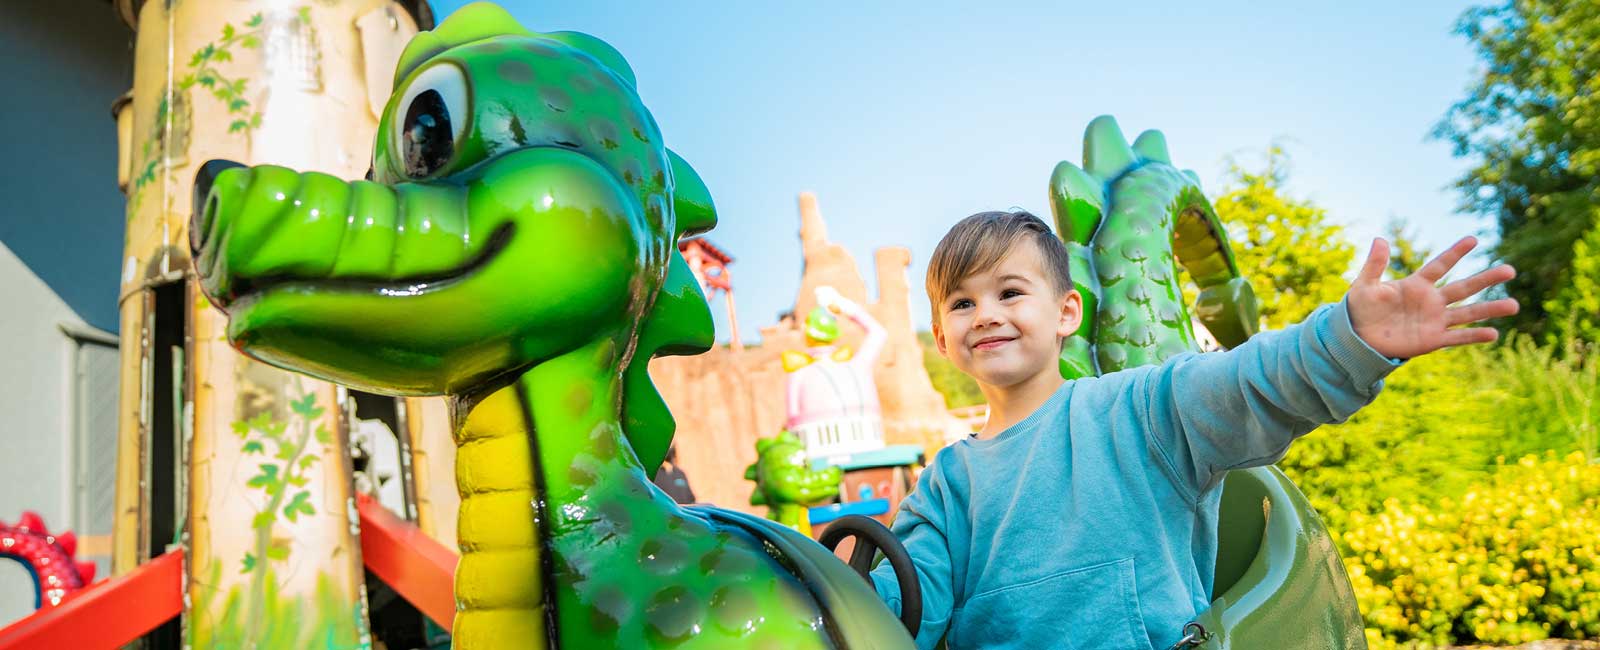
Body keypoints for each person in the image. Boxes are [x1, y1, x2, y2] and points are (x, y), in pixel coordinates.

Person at [866, 210, 1517, 649]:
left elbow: (1247, 383)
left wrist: (1347, 340)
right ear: (943, 340)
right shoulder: (947, 483)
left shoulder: (1138, 410)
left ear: (1066, 312)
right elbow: (902, 610)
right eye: (961, 302)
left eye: (1009, 292)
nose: (985, 314)